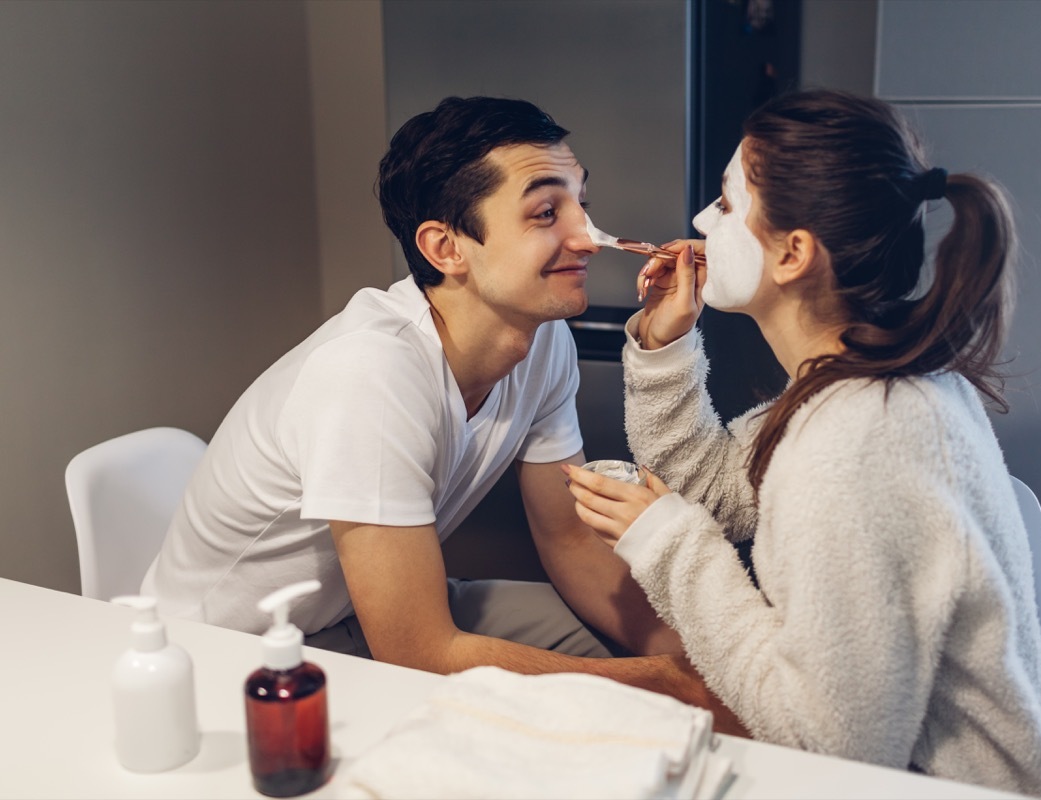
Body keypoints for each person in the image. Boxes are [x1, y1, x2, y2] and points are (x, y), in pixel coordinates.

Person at [142, 96, 731, 722]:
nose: (586, 235)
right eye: (545, 212)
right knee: (631, 699)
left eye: (581, 202)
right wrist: (667, 687)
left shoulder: (543, 340)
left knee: (670, 658)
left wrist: (710, 662)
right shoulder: (369, 373)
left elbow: (570, 540)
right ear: (446, 249)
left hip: (362, 616)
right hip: (243, 660)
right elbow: (417, 651)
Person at [564, 89, 1041, 798]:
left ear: (795, 253)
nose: (702, 222)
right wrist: (663, 342)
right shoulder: (854, 388)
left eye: (728, 204)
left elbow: (829, 743)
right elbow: (713, 487)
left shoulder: (858, 443)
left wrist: (670, 544)